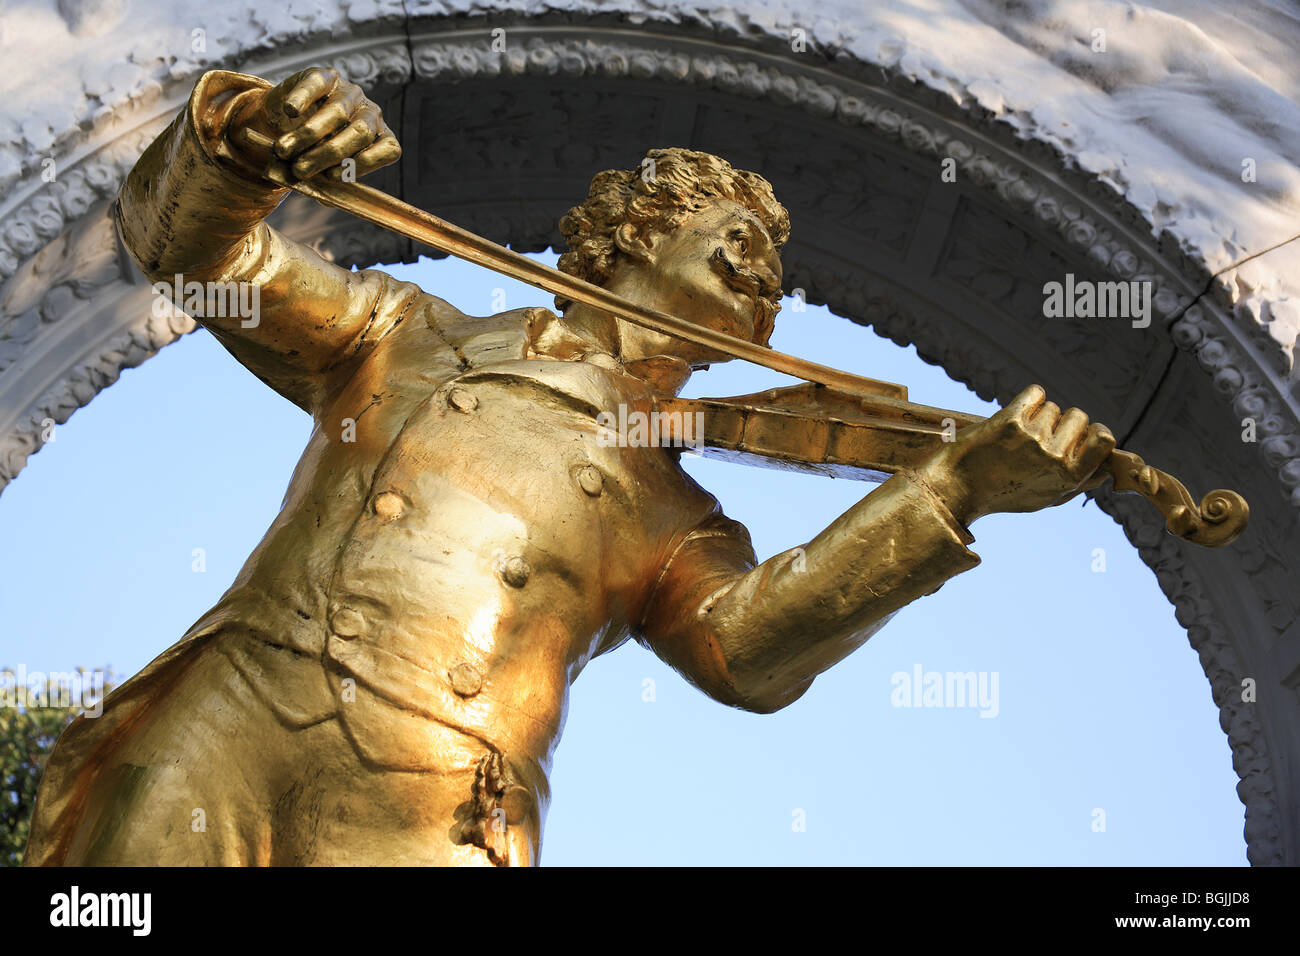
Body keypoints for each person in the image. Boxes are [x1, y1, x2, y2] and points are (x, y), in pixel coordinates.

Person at [25, 67, 1114, 866]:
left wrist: (949, 489)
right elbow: (198, 254)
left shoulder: (677, 507)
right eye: (736, 238)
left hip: (441, 788)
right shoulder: (410, 331)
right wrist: (243, 144)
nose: (762, 274)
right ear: (636, 234)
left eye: (771, 271)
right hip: (227, 713)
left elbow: (748, 652)